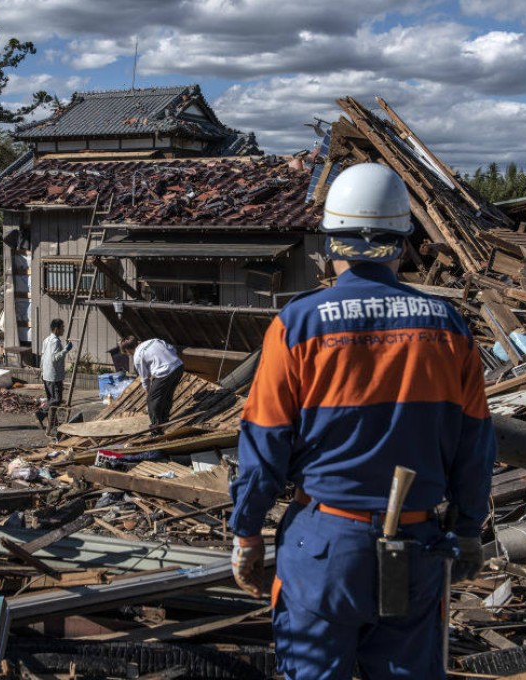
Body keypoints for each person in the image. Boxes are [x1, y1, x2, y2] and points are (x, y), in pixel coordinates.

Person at [228, 163, 497, 679]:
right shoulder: (449, 327)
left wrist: (247, 533)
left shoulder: (298, 325)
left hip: (325, 545)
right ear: (402, 242)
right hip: (417, 547)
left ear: (331, 244)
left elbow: (263, 445)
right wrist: (466, 530)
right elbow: (475, 445)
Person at [119, 335, 184, 435]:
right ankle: (164, 419)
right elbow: (172, 348)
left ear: (128, 349)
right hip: (178, 366)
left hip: (165, 372)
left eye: (126, 352)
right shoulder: (153, 341)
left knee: (152, 401)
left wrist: (149, 394)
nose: (128, 355)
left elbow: (145, 379)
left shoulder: (137, 356)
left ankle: (156, 430)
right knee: (167, 394)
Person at [35, 318, 72, 429]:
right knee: (56, 399)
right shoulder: (55, 341)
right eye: (62, 328)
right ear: (56, 329)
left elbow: (42, 356)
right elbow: (54, 358)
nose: (63, 330)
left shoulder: (46, 340)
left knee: (52, 399)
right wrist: (66, 350)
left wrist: (41, 371)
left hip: (46, 374)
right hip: (53, 375)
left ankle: (53, 422)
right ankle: (41, 413)